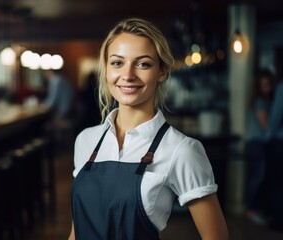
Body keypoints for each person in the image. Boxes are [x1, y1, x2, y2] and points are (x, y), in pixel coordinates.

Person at [69, 18, 229, 239]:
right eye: (117, 63)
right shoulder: (86, 140)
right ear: (105, 69)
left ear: (162, 71)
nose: (128, 75)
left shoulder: (181, 150)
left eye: (143, 64)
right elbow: (77, 232)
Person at [244, 69, 275, 225]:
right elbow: (266, 126)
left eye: (269, 84)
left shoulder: (264, 101)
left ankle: (254, 209)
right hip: (256, 143)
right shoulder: (261, 102)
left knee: (259, 176)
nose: (267, 87)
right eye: (264, 85)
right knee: (258, 176)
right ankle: (251, 209)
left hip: (256, 143)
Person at [266, 76, 283, 232]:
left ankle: (278, 220)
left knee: (277, 183)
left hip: (279, 142)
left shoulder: (281, 88)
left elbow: (275, 117)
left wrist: (268, 137)